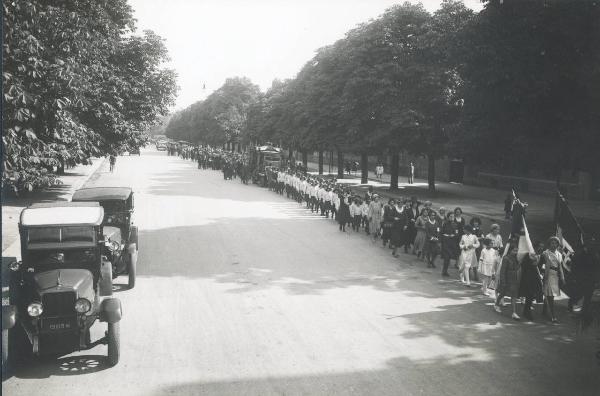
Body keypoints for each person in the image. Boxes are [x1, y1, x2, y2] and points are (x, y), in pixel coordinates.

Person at [539, 236, 566, 323]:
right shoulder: (545, 253)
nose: (554, 245)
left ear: (558, 245)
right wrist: (542, 274)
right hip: (548, 274)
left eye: (556, 243)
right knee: (550, 296)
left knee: (550, 293)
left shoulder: (559, 254)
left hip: (555, 275)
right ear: (549, 244)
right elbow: (541, 265)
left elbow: (560, 266)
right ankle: (553, 315)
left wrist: (562, 277)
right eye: (552, 243)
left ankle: (544, 309)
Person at [494, 242, 522, 320]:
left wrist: (519, 263)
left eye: (517, 251)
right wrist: (503, 281)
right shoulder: (506, 258)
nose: (515, 252)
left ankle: (514, 312)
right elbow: (503, 271)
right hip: (507, 278)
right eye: (514, 250)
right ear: (510, 250)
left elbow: (516, 268)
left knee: (514, 296)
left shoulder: (516, 258)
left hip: (514, 279)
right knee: (503, 293)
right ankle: (496, 304)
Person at [518, 241, 544, 320]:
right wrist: (531, 264)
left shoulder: (541, 256)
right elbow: (522, 265)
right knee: (529, 295)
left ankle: (527, 310)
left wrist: (541, 273)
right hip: (528, 278)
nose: (541, 248)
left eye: (542, 247)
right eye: (539, 246)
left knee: (532, 296)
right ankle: (527, 312)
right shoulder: (528, 255)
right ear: (535, 247)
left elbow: (541, 266)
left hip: (536, 278)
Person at [441, 212, 459, 277]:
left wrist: (453, 235)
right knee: (446, 257)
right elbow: (442, 232)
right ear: (448, 217)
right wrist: (445, 236)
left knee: (449, 258)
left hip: (452, 243)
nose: (452, 218)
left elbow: (457, 234)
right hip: (446, 242)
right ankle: (444, 271)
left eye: (453, 216)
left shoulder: (455, 225)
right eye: (450, 216)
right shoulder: (445, 224)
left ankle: (445, 270)